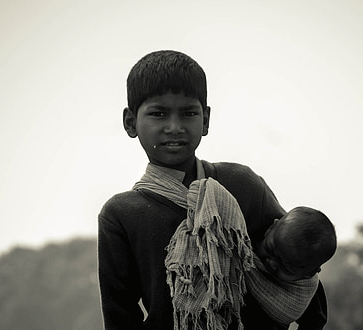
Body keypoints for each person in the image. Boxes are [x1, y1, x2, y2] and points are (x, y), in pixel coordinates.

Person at [97, 50, 329, 330]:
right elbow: (120, 315)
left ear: (205, 120)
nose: (174, 127)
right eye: (158, 113)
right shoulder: (120, 215)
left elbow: (302, 267)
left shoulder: (242, 184)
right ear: (130, 122)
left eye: (188, 113)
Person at [245, 206, 337, 329]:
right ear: (271, 228)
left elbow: (315, 321)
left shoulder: (306, 288)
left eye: (284, 268)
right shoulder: (246, 235)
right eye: (269, 249)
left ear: (309, 274)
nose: (271, 264)